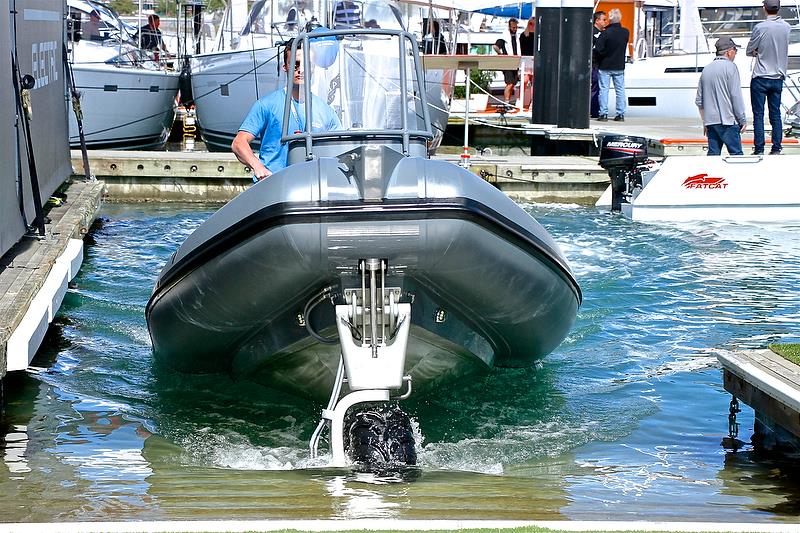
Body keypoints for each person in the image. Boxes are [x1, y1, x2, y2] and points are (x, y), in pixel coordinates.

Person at [231, 39, 342, 181]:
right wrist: (258, 167)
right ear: (285, 67)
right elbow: (238, 143)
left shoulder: (326, 111)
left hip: (310, 187)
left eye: (306, 65)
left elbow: (339, 150)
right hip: (274, 187)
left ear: (313, 67)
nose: (300, 69)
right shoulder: (266, 105)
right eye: (295, 65)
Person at [746, 0, 790, 155]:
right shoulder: (786, 27)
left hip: (761, 76)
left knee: (758, 115)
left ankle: (759, 149)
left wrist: (757, 51)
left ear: (764, 8)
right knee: (775, 114)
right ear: (778, 9)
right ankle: (776, 148)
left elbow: (749, 49)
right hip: (778, 77)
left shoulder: (760, 27)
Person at [696, 37, 748, 156]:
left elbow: (699, 100)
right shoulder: (731, 67)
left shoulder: (706, 69)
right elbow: (735, 96)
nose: (735, 54)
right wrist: (742, 119)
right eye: (735, 50)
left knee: (713, 157)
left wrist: (705, 122)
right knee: (737, 156)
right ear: (729, 52)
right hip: (727, 121)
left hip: (711, 122)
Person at [595, 8, 629, 122]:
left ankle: (603, 113)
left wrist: (603, 55)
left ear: (609, 19)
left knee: (604, 90)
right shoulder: (625, 32)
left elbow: (598, 49)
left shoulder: (605, 33)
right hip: (619, 65)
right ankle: (621, 114)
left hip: (605, 65)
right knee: (620, 90)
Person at [493, 18, 520, 105]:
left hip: (515, 63)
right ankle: (506, 102)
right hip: (507, 63)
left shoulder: (516, 37)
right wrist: (501, 55)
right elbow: (495, 47)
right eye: (513, 28)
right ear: (509, 27)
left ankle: (509, 101)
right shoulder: (504, 38)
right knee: (509, 83)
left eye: (516, 28)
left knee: (513, 84)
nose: (515, 29)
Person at [590, 11, 608, 119]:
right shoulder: (594, 33)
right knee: (596, 88)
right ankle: (594, 110)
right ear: (597, 21)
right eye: (604, 20)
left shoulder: (602, 33)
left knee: (597, 87)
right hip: (595, 64)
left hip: (598, 64)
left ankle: (595, 109)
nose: (605, 22)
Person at [519, 17, 535, 109]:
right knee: (524, 80)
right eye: (530, 24)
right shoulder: (523, 35)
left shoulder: (539, 35)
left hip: (535, 60)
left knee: (534, 82)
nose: (532, 26)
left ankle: (532, 102)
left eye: (534, 24)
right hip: (525, 60)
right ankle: (520, 100)